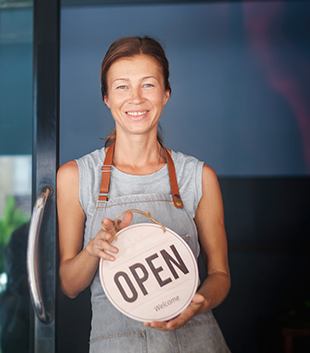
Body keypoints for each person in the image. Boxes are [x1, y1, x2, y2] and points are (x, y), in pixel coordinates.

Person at [57, 36, 231, 352]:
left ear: (166, 94)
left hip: (195, 341)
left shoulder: (198, 177)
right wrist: (94, 249)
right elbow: (69, 285)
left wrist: (198, 304)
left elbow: (220, 275)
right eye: (122, 86)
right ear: (106, 97)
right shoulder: (75, 177)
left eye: (148, 85)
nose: (136, 98)